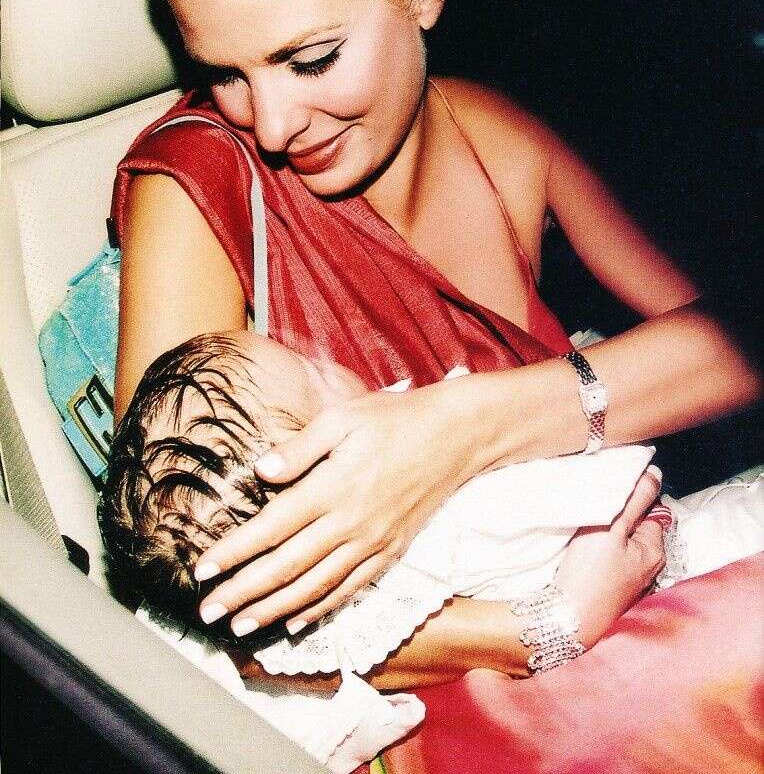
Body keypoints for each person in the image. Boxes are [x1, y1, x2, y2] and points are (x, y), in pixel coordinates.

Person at [112, 0, 760, 677]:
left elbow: (736, 345)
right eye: (225, 74)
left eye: (311, 60)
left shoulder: (497, 136)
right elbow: (192, 587)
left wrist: (458, 428)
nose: (272, 124)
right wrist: (540, 628)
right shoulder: (198, 184)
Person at [99, 329, 761, 769]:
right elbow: (619, 478)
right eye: (312, 373)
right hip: (665, 580)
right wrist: (554, 622)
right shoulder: (437, 529)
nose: (326, 357)